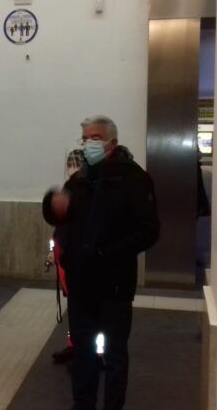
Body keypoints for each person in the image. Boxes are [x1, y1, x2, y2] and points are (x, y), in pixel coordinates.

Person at [42, 116, 159, 410]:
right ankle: (83, 404)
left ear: (111, 142)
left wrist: (108, 253)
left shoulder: (134, 179)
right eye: (85, 139)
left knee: (115, 354)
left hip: (115, 284)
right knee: (83, 352)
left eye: (94, 137)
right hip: (83, 285)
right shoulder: (80, 180)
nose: (88, 144)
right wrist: (53, 207)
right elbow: (62, 220)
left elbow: (149, 231)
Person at [45, 149, 85, 365]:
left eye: (77, 163)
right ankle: (74, 346)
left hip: (81, 261)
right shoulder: (66, 192)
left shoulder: (88, 194)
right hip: (65, 258)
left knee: (87, 310)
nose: (73, 166)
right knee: (74, 307)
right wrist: (53, 251)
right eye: (70, 162)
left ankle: (93, 353)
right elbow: (60, 228)